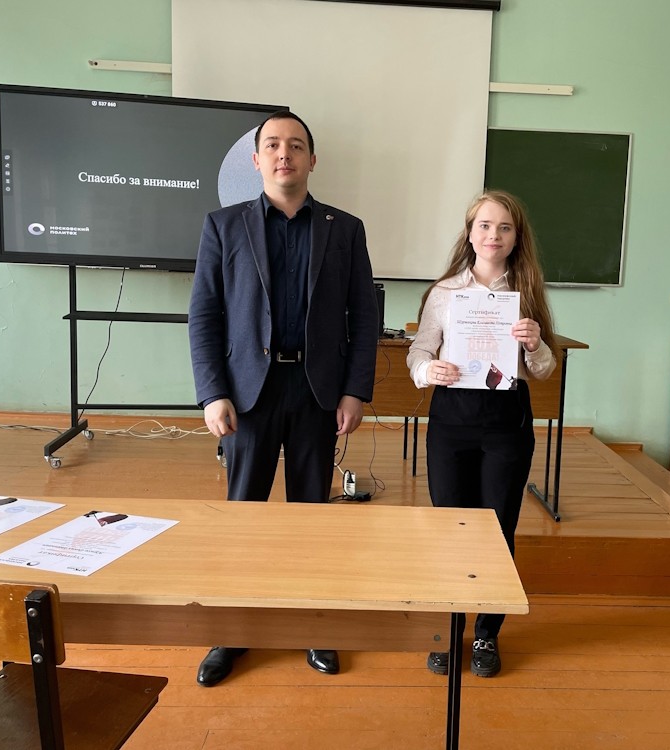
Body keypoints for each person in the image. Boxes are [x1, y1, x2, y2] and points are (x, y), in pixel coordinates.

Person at [188, 110, 378, 687]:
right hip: (249, 393)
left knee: (310, 516)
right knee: (242, 512)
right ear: (256, 160)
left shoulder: (345, 229)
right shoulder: (224, 226)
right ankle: (232, 630)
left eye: (295, 145)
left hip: (318, 391)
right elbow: (204, 315)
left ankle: (311, 622)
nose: (283, 154)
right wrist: (212, 392)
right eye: (272, 144)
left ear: (312, 160)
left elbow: (363, 318)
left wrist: (355, 389)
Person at [406, 190, 556, 678]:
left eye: (505, 227)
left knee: (498, 528)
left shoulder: (527, 291)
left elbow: (545, 369)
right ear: (470, 234)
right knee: (450, 527)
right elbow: (418, 351)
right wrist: (428, 370)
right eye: (485, 226)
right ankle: (449, 629)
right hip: (452, 420)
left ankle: (487, 633)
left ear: (516, 237)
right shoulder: (445, 292)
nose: (494, 235)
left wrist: (535, 345)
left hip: (507, 423)